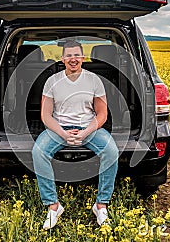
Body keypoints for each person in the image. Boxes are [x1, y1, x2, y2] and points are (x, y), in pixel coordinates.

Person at [31, 40, 119, 229]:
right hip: (59, 128)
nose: (73, 59)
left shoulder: (94, 80)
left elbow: (102, 114)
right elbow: (45, 115)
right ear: (62, 59)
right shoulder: (52, 81)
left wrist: (85, 132)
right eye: (69, 55)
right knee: (38, 152)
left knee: (111, 151)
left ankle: (101, 205)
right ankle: (53, 206)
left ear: (83, 58)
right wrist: (63, 133)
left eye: (76, 55)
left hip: (88, 128)